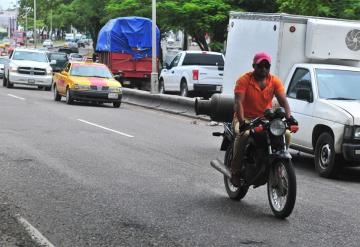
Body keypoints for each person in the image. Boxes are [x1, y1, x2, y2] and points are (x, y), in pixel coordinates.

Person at [231, 52, 292, 186]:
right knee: (244, 134)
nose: (263, 69)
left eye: (266, 66)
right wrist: (242, 122)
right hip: (244, 117)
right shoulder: (244, 80)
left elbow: (284, 101)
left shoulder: (274, 81)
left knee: (286, 134)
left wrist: (290, 118)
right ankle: (235, 171)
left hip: (265, 119)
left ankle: (278, 162)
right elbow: (238, 103)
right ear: (254, 66)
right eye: (260, 66)